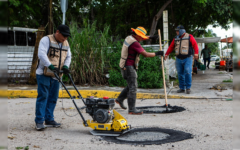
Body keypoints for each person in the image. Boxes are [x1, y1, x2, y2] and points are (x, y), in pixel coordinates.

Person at [115, 26, 164, 115]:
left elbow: (142, 37)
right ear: (137, 35)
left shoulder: (129, 37)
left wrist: (151, 37)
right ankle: (132, 109)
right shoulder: (135, 43)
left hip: (124, 65)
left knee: (130, 85)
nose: (142, 39)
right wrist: (157, 53)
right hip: (129, 67)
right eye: (141, 37)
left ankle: (119, 99)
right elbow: (145, 54)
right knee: (133, 87)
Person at [35, 25, 72, 130]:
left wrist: (66, 66)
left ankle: (49, 119)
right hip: (44, 73)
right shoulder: (46, 40)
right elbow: (41, 54)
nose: (65, 38)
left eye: (66, 37)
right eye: (63, 36)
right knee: (43, 96)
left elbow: (68, 56)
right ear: (57, 32)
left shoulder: (65, 43)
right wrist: (50, 66)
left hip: (57, 74)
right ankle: (39, 121)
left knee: (53, 98)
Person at [164, 25, 199, 94]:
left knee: (188, 72)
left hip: (188, 58)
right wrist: (166, 54)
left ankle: (188, 88)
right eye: (176, 31)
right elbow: (171, 46)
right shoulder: (176, 38)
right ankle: (182, 88)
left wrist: (196, 53)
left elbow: (195, 45)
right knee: (180, 74)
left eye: (177, 31)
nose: (176, 32)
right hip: (178, 59)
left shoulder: (189, 37)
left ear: (181, 31)